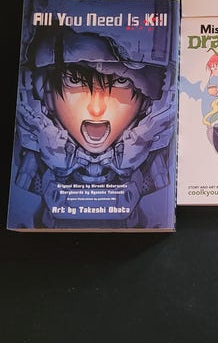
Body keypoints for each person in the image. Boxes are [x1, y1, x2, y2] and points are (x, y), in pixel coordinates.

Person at [14, 25, 176, 228]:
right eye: (74, 80)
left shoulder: (159, 158)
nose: (97, 109)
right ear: (45, 92)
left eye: (121, 81)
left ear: (146, 101)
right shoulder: (29, 152)